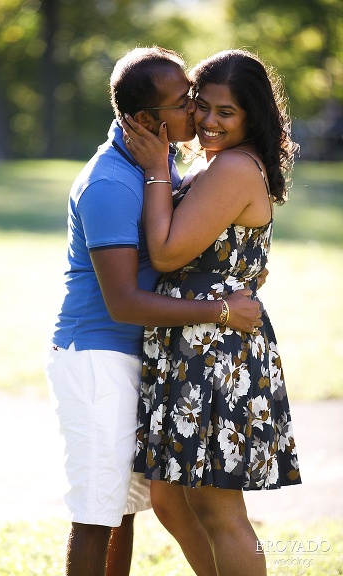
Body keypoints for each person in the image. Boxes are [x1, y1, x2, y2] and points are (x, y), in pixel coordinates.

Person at [45, 47, 265, 576]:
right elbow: (123, 302)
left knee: (125, 511)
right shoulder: (111, 183)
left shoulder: (155, 161)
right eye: (186, 102)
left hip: (142, 356)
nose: (197, 111)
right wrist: (219, 310)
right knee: (97, 514)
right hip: (98, 355)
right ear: (147, 120)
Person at [122, 49, 301, 576]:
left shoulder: (234, 167)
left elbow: (169, 253)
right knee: (172, 499)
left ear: (252, 117)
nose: (207, 120)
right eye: (202, 105)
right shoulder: (213, 164)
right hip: (190, 339)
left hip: (215, 348)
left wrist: (158, 170)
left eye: (227, 112)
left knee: (218, 507)